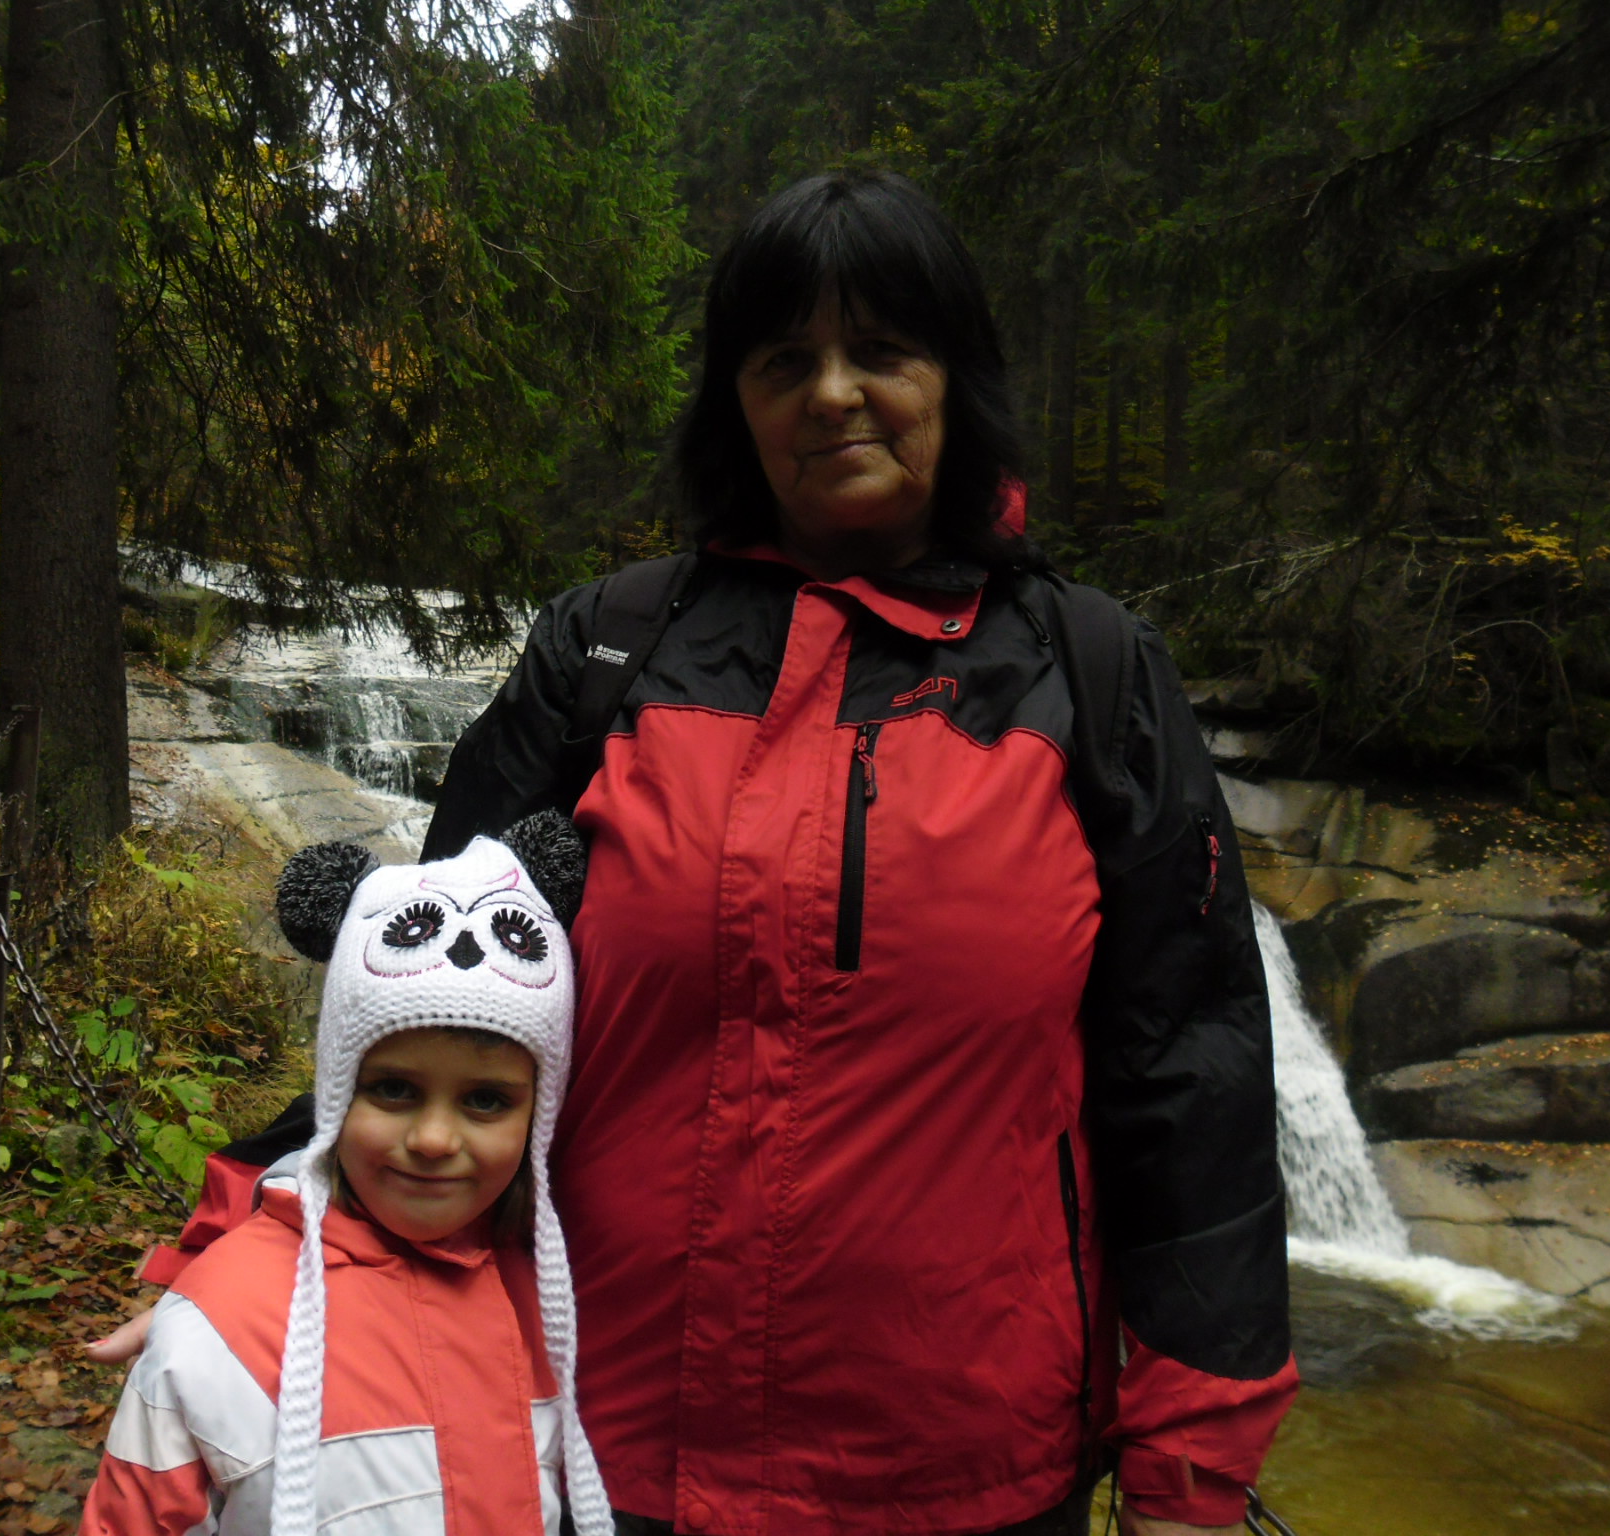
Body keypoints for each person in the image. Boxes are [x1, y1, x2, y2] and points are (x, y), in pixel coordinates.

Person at [100, 170, 1297, 1536]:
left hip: (962, 1472)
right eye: (784, 361)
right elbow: (419, 997)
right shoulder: (604, 651)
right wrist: (248, 1257)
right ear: (736, 402)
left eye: (880, 350)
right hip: (590, 1447)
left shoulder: (1090, 675)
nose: (832, 393)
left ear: (956, 379)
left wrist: (1190, 1461)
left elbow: (1189, 1072)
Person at [79, 829, 612, 1536]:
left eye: (486, 1100)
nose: (433, 1139)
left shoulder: (549, 1298)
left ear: (539, 1117)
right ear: (333, 1095)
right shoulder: (218, 1330)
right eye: (392, 1089)